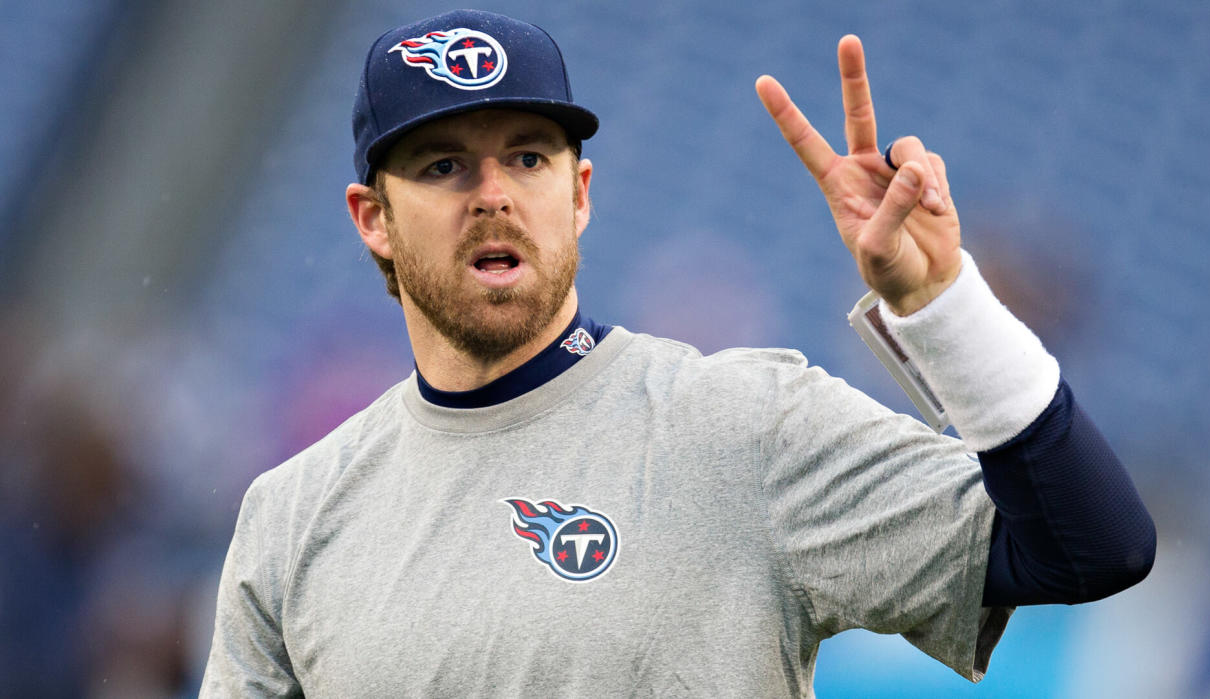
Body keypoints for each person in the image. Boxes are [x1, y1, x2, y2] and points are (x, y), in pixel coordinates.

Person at [201, 9, 1155, 696]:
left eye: (527, 156)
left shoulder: (743, 427)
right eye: (445, 164)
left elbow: (1092, 546)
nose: (493, 193)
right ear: (372, 218)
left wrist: (941, 306)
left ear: (579, 195)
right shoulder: (292, 517)